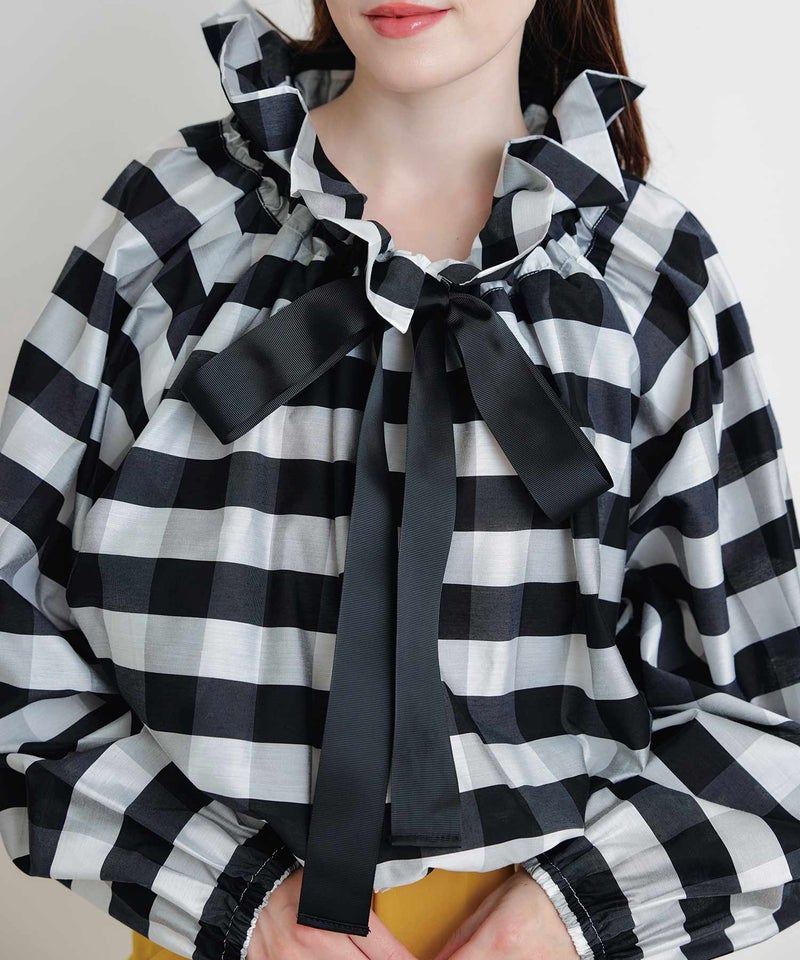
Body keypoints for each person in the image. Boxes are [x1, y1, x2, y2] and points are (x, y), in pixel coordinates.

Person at [2, 1, 800, 959]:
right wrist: (233, 899)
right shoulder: (174, 228)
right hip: (206, 933)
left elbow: (770, 701)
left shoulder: (647, 277)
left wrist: (562, 922)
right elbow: (12, 612)